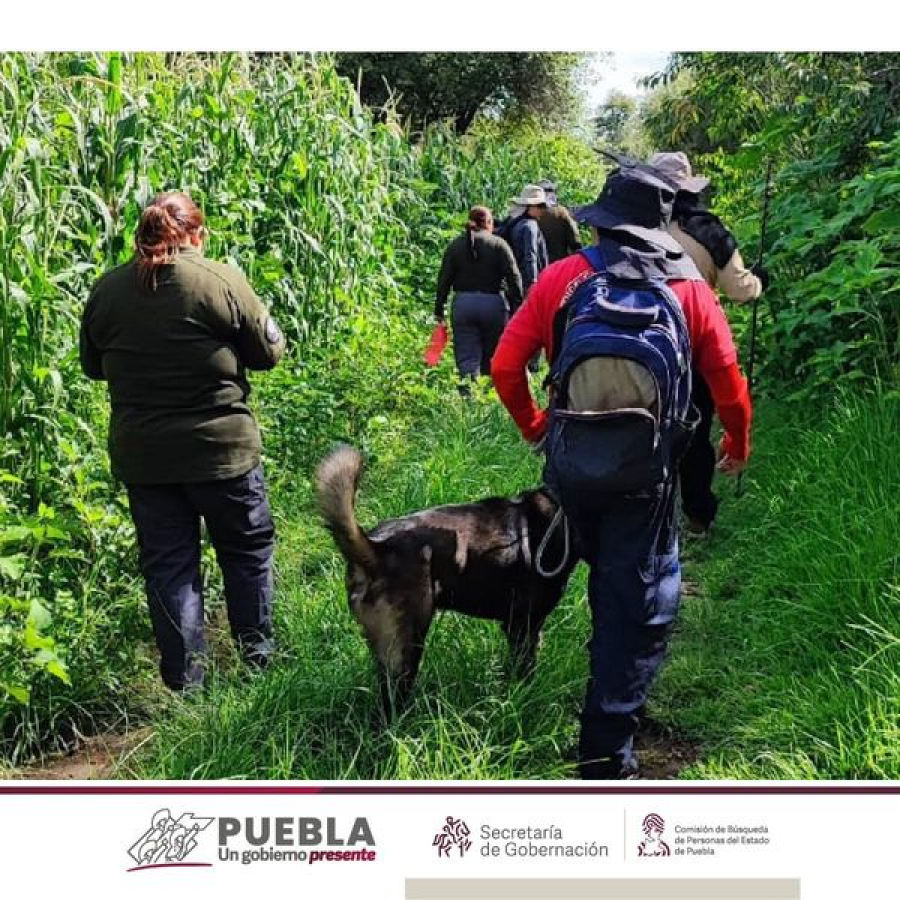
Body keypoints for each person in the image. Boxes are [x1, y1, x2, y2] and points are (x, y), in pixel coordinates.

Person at [491, 164, 753, 779]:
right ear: (662, 228)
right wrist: (736, 441)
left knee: (559, 565)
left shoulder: (563, 277)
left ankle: (525, 682)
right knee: (636, 599)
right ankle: (606, 754)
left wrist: (537, 426)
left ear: (601, 221)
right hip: (646, 475)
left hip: (570, 468)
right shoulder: (691, 292)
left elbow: (507, 366)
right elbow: (730, 387)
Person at [80, 191, 285, 691]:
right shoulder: (218, 280)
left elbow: (91, 368)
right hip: (224, 454)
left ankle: (186, 686)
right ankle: (257, 666)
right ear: (196, 233)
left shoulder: (107, 292)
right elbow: (267, 354)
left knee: (170, 568)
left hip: (146, 459)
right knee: (245, 551)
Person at [648, 151, 768, 534]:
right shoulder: (710, 230)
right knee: (696, 431)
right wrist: (759, 280)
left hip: (638, 338)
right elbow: (740, 291)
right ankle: (697, 514)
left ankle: (646, 512)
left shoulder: (632, 224)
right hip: (695, 342)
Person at [435, 205, 522, 384]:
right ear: (489, 223)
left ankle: (468, 397)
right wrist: (518, 306)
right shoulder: (498, 244)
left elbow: (443, 280)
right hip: (493, 306)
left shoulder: (455, 246)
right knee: (493, 354)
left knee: (467, 356)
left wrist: (439, 309)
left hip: (463, 305)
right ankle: (489, 395)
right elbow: (514, 277)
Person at [504, 184, 550, 299]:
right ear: (529, 206)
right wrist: (533, 283)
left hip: (514, 281)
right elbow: (531, 256)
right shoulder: (530, 226)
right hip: (527, 282)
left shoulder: (514, 223)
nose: (543, 210)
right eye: (540, 206)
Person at [537, 178, 583, 263]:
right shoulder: (561, 212)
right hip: (558, 265)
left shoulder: (530, 212)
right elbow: (575, 241)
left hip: (537, 266)